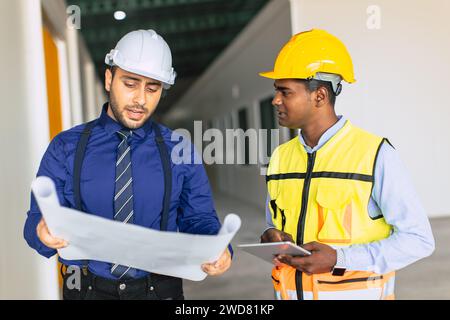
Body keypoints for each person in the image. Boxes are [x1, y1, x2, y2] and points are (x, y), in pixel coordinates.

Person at [24, 29, 231, 300]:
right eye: (130, 84)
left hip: (159, 291)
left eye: (152, 88)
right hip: (86, 291)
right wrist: (42, 231)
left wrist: (217, 247)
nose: (141, 99)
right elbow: (34, 223)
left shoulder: (179, 150)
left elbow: (199, 218)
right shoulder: (66, 147)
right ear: (110, 79)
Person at [259, 29, 434, 300]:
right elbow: (273, 222)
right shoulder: (280, 157)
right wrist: (271, 234)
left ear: (319, 96)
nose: (276, 100)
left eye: (285, 92)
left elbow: (418, 240)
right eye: (276, 91)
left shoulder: (375, 154)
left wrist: (340, 258)